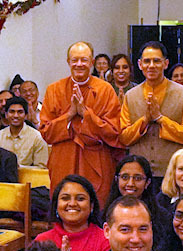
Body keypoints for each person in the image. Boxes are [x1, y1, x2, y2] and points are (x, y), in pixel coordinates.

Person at [41, 42, 124, 202]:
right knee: (64, 204)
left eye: (84, 60)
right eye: (75, 60)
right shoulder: (54, 90)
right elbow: (46, 132)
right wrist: (69, 115)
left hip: (96, 161)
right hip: (63, 159)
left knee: (95, 207)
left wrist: (86, 114)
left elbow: (113, 131)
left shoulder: (105, 90)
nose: (79, 64)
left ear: (92, 62)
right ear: (68, 62)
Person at [118, 42, 183, 172]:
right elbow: (124, 138)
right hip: (139, 172)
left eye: (156, 61)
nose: (151, 66)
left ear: (165, 64)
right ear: (140, 64)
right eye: (147, 61)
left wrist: (160, 118)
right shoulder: (130, 96)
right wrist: (145, 120)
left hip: (172, 169)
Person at [35, 175, 108, 251]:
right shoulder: (42, 240)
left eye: (80, 199)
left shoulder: (106, 242)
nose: (72, 204)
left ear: (91, 206)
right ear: (56, 205)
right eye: (65, 198)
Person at [0, 96, 48, 167]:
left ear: (26, 115)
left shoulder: (36, 137)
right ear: (6, 114)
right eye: (12, 112)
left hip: (29, 177)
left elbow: (41, 168)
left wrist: (19, 167)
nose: (16, 115)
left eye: (20, 112)